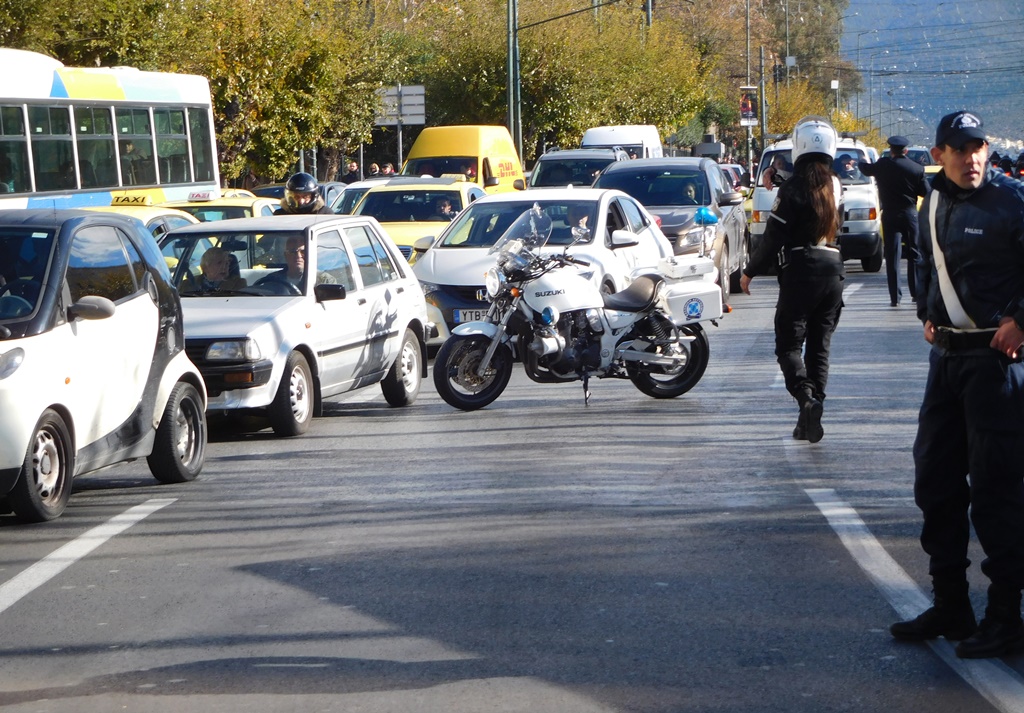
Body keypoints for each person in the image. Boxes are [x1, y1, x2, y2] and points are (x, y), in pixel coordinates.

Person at [889, 110, 1024, 659]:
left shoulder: (1012, 202)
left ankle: (1005, 615)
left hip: (997, 366)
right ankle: (951, 604)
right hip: (946, 362)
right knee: (936, 483)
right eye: (960, 149)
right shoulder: (932, 201)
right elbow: (925, 262)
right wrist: (927, 309)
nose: (972, 158)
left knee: (997, 492)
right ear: (940, 154)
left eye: (979, 148)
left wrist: (1022, 320)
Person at [739, 116, 844, 444]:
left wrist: (749, 271)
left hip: (802, 271)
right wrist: (779, 175)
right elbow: (808, 186)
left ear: (798, 147)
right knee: (819, 346)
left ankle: (805, 398)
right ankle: (811, 414)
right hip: (833, 271)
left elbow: (773, 237)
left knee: (788, 345)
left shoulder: (792, 189)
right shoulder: (835, 185)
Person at [858, 136, 929, 307]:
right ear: (906, 151)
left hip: (890, 215)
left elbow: (866, 170)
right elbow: (926, 192)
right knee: (914, 254)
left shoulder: (882, 165)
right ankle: (916, 292)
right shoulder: (916, 169)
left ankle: (894, 297)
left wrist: (860, 161)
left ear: (891, 150)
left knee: (892, 256)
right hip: (910, 214)